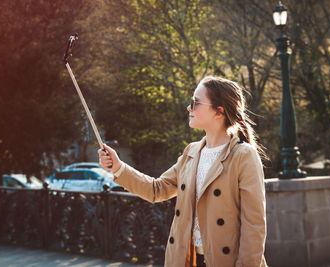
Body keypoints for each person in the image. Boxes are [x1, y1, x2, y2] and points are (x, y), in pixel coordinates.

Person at [98, 76, 268, 267]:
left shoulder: (243, 155)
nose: (189, 108)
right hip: (189, 259)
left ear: (218, 112)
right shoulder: (191, 152)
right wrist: (118, 167)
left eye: (195, 103)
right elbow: (157, 189)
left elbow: (254, 224)